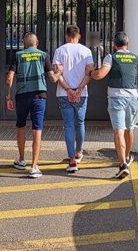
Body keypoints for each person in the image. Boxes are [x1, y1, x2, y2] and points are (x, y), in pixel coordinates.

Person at [90, 31, 138, 179]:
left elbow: (100, 75)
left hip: (116, 98)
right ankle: (127, 156)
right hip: (132, 98)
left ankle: (123, 163)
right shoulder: (137, 58)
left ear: (114, 45)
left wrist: (91, 73)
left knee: (118, 131)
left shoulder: (111, 57)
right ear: (127, 44)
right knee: (129, 129)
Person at [5, 32, 62, 178]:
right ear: (36, 42)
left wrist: (8, 96)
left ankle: (22, 159)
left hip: (22, 97)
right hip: (39, 97)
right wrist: (59, 72)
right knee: (37, 130)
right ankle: (34, 166)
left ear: (25, 43)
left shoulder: (18, 55)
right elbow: (52, 78)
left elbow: (10, 77)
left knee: (21, 127)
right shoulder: (43, 55)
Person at [52, 25, 94, 173]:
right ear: (79, 36)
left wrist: (69, 89)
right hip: (81, 94)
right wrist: (79, 89)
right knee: (80, 123)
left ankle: (71, 160)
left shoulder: (59, 51)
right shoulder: (86, 51)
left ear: (66, 35)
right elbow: (90, 73)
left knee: (68, 125)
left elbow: (58, 74)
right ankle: (78, 152)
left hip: (64, 93)